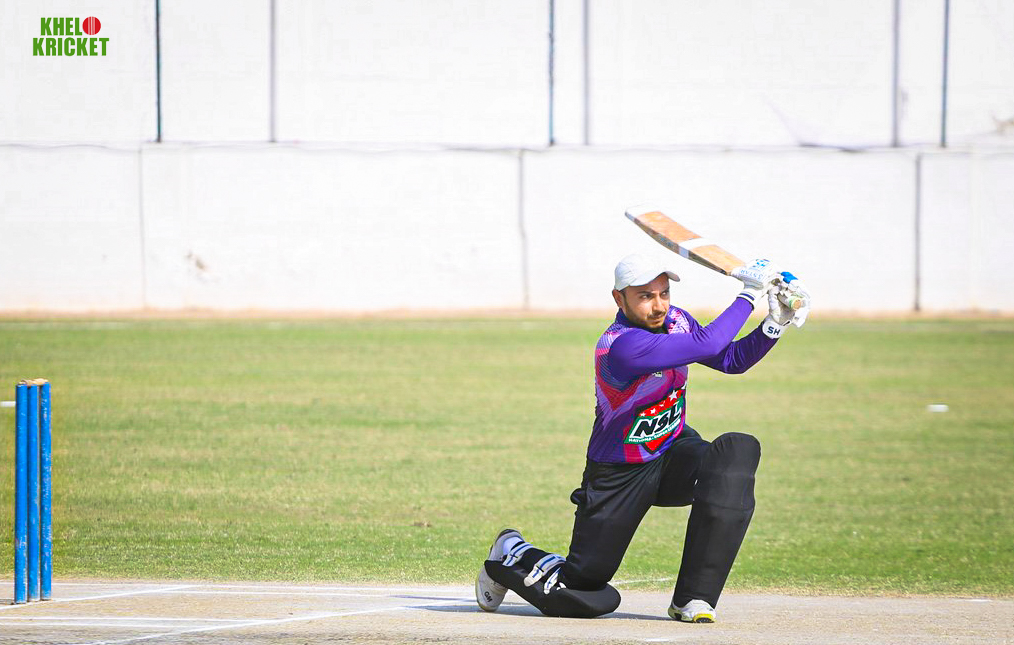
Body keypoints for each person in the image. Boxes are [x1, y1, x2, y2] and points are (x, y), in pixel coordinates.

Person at [474, 252, 810, 622]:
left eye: (664, 293)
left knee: (736, 452)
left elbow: (731, 360)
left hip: (672, 450)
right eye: (645, 296)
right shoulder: (622, 346)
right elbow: (708, 345)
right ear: (619, 299)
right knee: (584, 591)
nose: (659, 305)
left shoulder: (677, 320)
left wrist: (774, 324)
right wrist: (748, 295)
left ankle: (693, 599)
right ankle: (511, 552)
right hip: (620, 472)